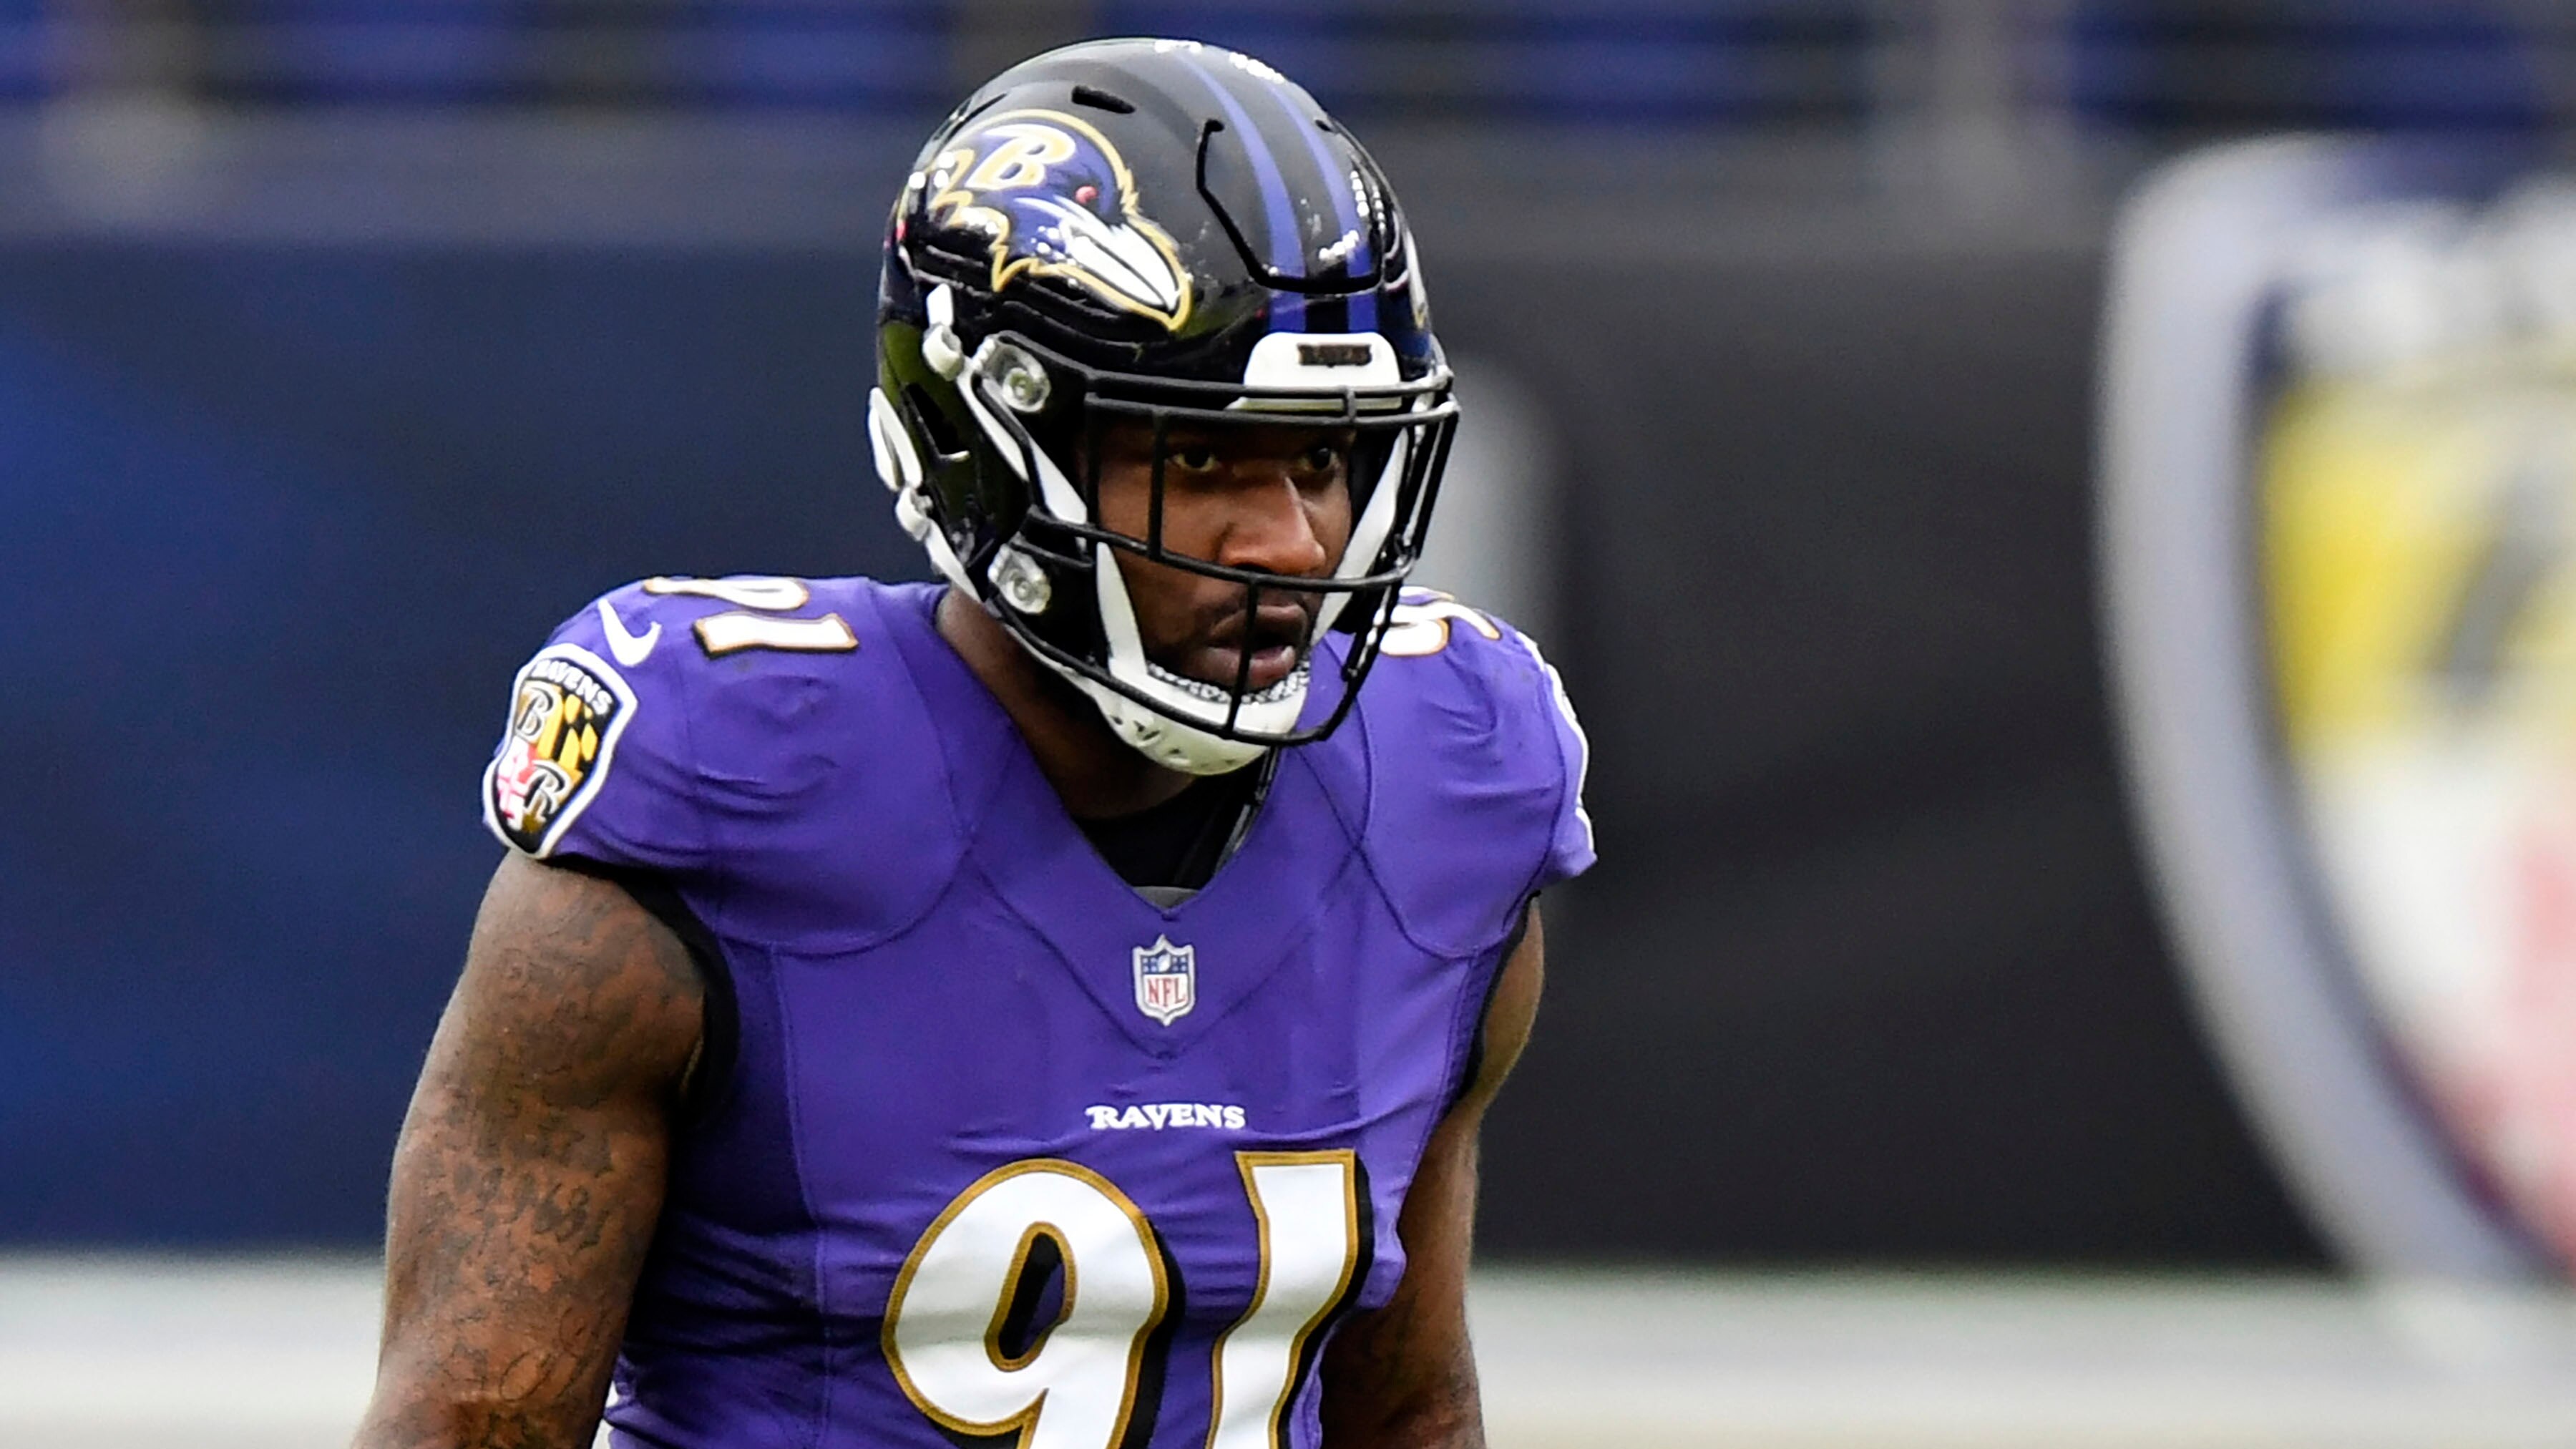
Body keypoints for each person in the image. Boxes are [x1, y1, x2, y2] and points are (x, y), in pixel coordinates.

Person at [353, 36, 1591, 1449]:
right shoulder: (725, 787)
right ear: (992, 444)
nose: (1292, 542)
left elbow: (1413, 1403)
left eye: (1318, 457)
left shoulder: (1450, 778)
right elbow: (470, 1424)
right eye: (1202, 461)